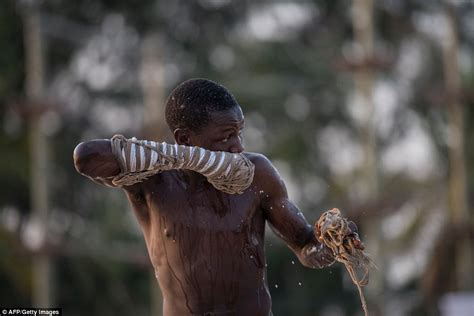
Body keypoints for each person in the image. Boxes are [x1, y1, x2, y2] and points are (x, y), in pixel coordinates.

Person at [73, 78, 339, 316]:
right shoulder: (151, 180)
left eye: (239, 132)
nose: (239, 146)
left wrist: (328, 247)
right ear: (184, 140)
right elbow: (85, 157)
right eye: (225, 137)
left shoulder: (256, 173)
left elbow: (304, 245)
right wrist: (193, 160)